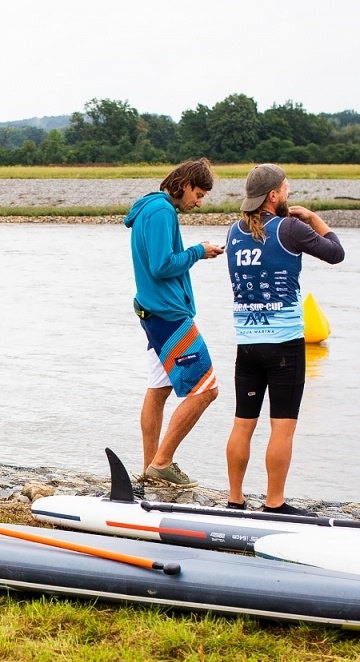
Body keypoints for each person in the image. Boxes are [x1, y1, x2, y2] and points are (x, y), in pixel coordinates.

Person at [223, 163, 345, 515]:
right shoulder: (290, 228)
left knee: (242, 423)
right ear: (274, 195)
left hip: (246, 343)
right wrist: (313, 218)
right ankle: (274, 502)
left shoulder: (234, 232)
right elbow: (336, 253)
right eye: (286, 189)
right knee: (282, 426)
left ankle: (235, 499)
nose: (289, 194)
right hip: (284, 345)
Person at [124, 159, 226, 489]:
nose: (199, 202)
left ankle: (148, 470)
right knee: (207, 389)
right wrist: (199, 251)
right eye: (198, 194)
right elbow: (161, 265)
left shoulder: (153, 209)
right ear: (182, 185)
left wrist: (197, 252)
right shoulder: (161, 212)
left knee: (159, 389)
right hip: (168, 316)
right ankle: (162, 463)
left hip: (155, 313)